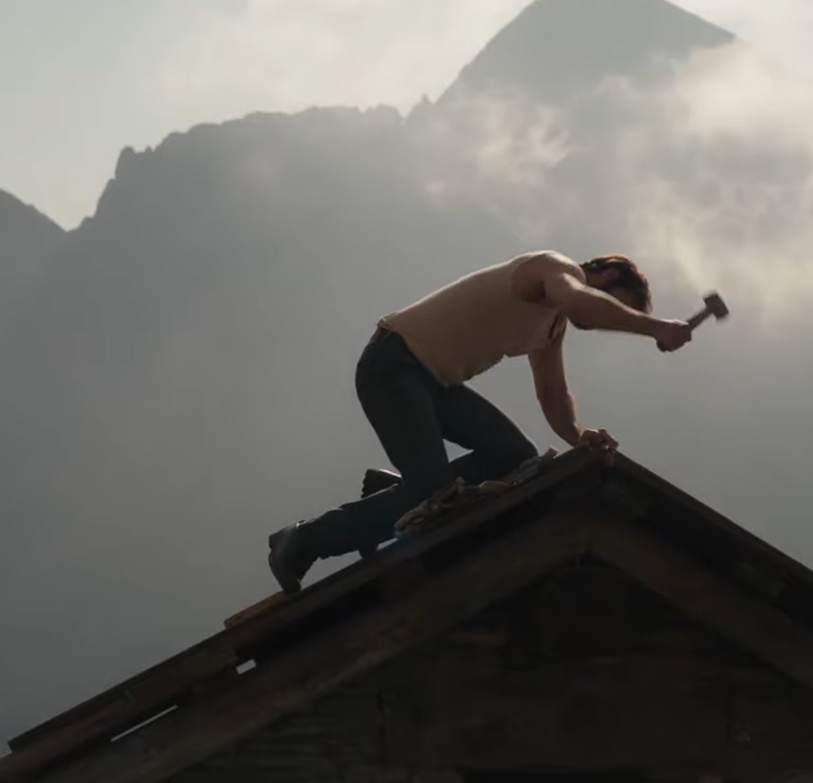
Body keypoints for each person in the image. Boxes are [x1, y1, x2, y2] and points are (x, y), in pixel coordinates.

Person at [266, 250, 695, 593]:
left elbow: (551, 393)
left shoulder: (550, 327)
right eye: (615, 306)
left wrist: (578, 436)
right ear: (603, 274)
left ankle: (399, 495)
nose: (610, 322)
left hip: (434, 381)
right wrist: (655, 327)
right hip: (393, 364)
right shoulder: (552, 268)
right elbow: (584, 307)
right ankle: (305, 539)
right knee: (434, 496)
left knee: (515, 458)